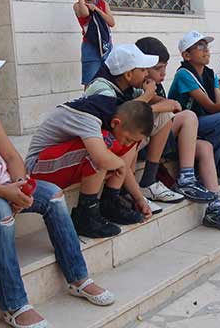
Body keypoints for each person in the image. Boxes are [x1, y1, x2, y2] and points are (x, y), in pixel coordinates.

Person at [0, 44, 115, 328]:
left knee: (51, 195)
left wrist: (19, 185)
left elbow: (12, 155)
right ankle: (14, 304)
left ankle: (78, 277)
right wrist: (6, 192)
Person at [25, 91, 154, 239]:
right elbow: (102, 159)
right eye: (129, 139)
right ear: (115, 123)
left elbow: (119, 163)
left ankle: (110, 202)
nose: (128, 143)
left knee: (112, 147)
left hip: (63, 164)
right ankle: (86, 214)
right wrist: (120, 164)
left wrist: (139, 199)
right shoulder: (89, 116)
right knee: (103, 148)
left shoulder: (115, 115)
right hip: (38, 168)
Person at [85, 44, 185, 208]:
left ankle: (148, 181)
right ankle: (121, 193)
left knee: (163, 116)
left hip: (116, 141)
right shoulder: (102, 89)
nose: (147, 73)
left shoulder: (128, 87)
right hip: (98, 145)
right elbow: (119, 121)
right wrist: (149, 100)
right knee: (132, 131)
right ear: (129, 74)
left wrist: (154, 98)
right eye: (143, 70)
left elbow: (169, 105)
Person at [168, 31, 220, 231]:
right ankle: (198, 174)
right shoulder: (184, 74)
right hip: (183, 129)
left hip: (201, 123)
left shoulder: (210, 74)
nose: (206, 50)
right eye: (200, 47)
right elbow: (213, 108)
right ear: (187, 55)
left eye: (206, 46)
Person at [135, 37, 220, 203]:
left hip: (162, 139)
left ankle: (215, 204)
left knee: (205, 147)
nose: (163, 73)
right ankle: (185, 178)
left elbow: (170, 105)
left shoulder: (154, 85)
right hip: (140, 143)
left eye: (165, 67)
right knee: (189, 116)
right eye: (158, 68)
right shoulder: (137, 86)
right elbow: (133, 113)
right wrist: (156, 101)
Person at [74, 0, 115, 86]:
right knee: (91, 81)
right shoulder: (78, 5)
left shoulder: (102, 4)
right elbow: (85, 14)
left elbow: (111, 22)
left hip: (105, 44)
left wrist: (97, 9)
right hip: (90, 45)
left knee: (108, 79)